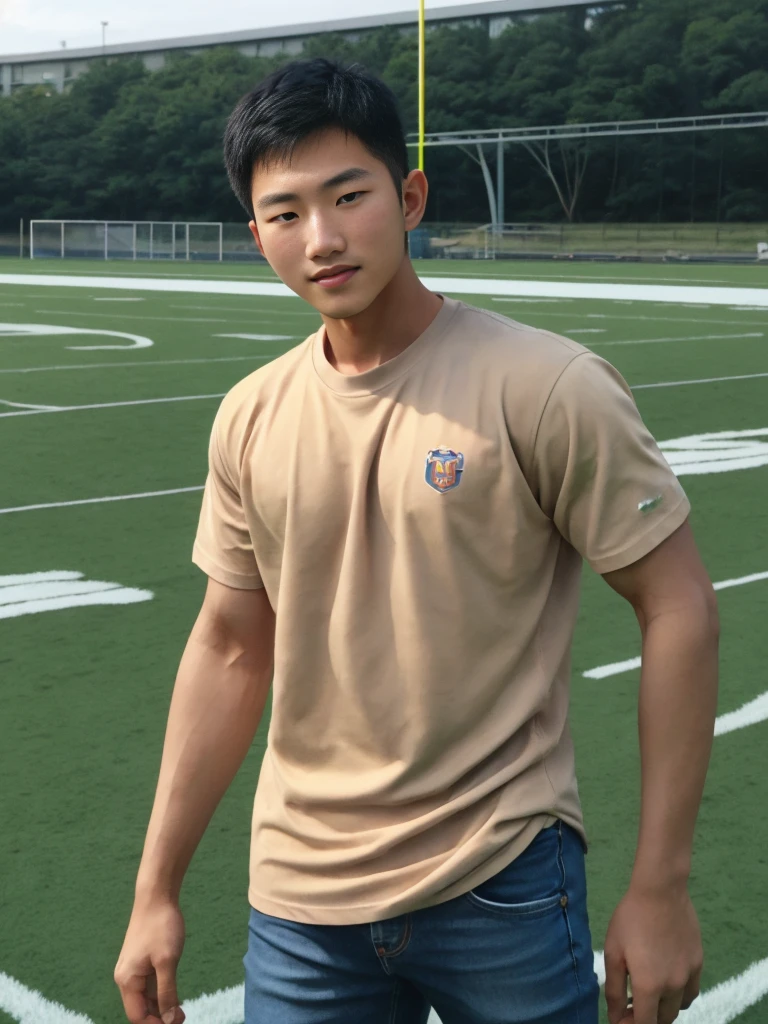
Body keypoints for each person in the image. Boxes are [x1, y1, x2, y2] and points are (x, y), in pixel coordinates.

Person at [114, 57, 719, 1024]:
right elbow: (230, 646)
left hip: (504, 876)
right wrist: (155, 890)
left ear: (410, 195)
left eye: (349, 196)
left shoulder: (546, 386)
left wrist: (660, 886)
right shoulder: (250, 415)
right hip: (299, 901)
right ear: (257, 232)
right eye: (285, 213)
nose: (322, 238)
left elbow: (676, 602)